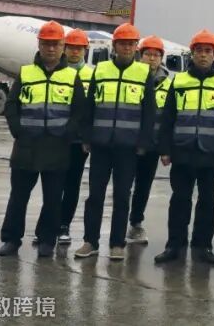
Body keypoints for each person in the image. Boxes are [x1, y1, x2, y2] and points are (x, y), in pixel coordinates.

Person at [0, 20, 86, 258]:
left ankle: (47, 239)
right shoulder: (26, 73)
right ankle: (11, 239)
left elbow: (80, 110)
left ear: (62, 46)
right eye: (46, 44)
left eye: (55, 44)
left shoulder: (71, 76)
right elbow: (11, 104)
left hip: (57, 146)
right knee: (18, 197)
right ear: (39, 44)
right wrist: (18, 130)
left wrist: (67, 133)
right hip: (26, 146)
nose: (51, 48)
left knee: (53, 199)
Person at [154, 29, 214, 265]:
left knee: (207, 201)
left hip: (211, 154)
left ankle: (203, 246)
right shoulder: (179, 81)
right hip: (182, 151)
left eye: (208, 51)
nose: (203, 55)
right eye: (199, 50)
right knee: (179, 200)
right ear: (192, 53)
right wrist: (165, 149)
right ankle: (175, 244)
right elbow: (168, 118)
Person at [75, 23, 154, 261]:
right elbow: (89, 107)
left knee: (122, 196)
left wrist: (143, 142)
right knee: (95, 196)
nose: (126, 48)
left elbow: (149, 112)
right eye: (122, 44)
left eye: (131, 44)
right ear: (115, 46)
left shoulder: (143, 73)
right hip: (100, 145)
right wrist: (86, 137)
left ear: (136, 47)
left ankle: (117, 243)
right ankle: (90, 241)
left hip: (128, 148)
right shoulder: (101, 70)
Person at [127, 35, 171, 245]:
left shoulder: (168, 85)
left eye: (156, 55)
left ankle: (136, 222)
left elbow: (169, 119)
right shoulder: (130, 78)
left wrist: (164, 148)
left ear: (161, 58)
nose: (151, 59)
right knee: (123, 185)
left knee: (143, 186)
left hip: (151, 146)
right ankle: (118, 223)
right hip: (129, 143)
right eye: (148, 54)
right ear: (140, 56)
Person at [57, 27, 93, 245]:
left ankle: (64, 225)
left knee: (72, 183)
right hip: (56, 138)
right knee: (53, 184)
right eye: (71, 47)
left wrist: (87, 138)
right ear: (64, 49)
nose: (75, 52)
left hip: (79, 142)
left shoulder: (92, 75)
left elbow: (93, 110)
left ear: (85, 50)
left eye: (79, 48)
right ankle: (48, 225)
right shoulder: (56, 72)